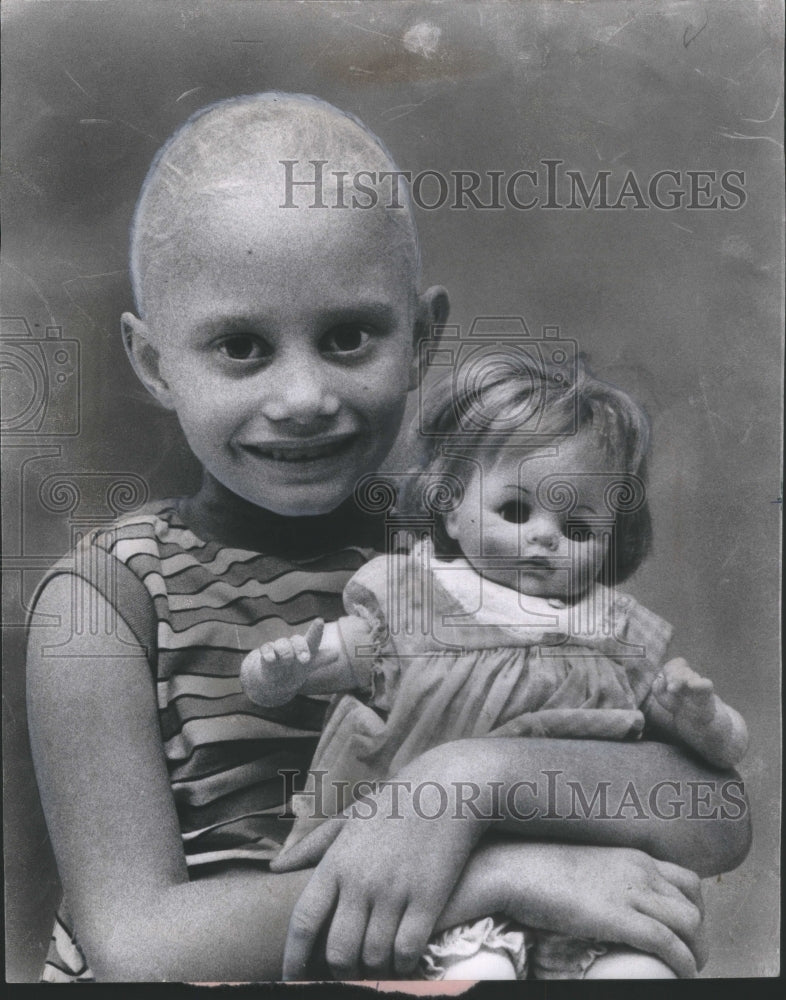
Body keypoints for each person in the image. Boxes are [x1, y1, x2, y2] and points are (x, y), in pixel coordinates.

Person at [25, 93, 749, 984]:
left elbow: (716, 818)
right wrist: (499, 875)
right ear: (153, 362)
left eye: (347, 337)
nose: (302, 398)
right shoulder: (106, 599)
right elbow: (137, 940)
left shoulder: (487, 555)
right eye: (241, 347)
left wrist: (470, 776)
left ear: (420, 339)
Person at [242, 356, 748, 979]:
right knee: (479, 971)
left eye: (579, 527)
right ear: (451, 509)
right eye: (516, 511)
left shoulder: (613, 632)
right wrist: (282, 672)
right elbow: (329, 661)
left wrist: (701, 717)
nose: (545, 539)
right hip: (433, 887)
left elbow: (721, 758)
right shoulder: (416, 598)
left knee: (640, 972)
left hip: (591, 885)